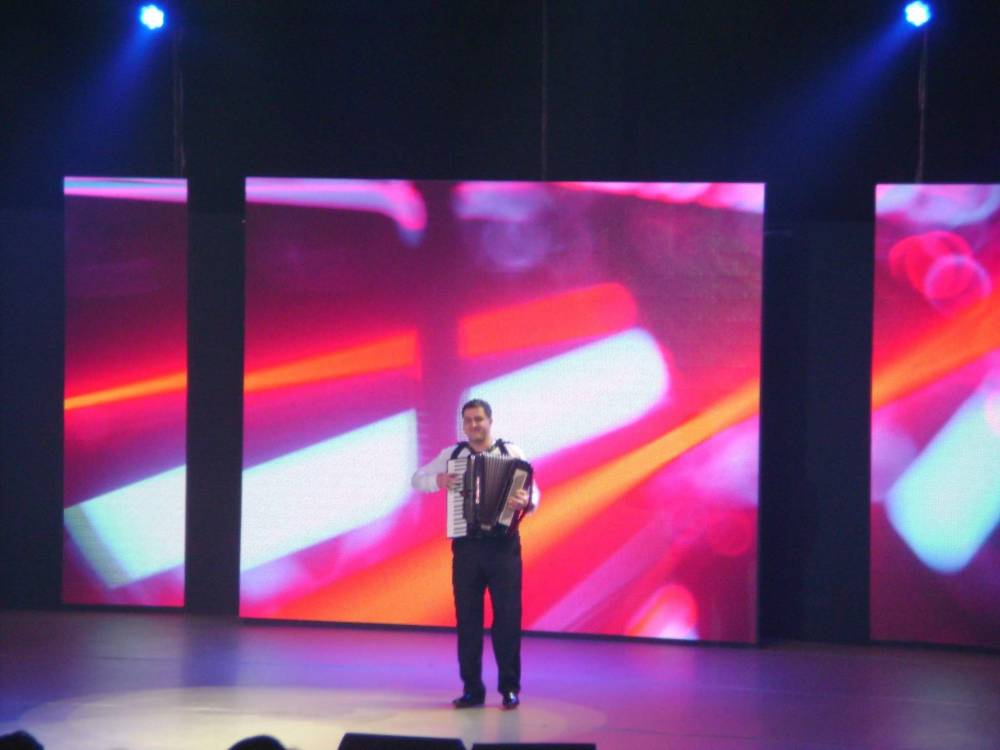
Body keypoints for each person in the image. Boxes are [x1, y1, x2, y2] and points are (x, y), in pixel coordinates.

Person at [411, 398, 537, 710]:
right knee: (468, 620)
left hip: (504, 548)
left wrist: (526, 501)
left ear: (489, 421)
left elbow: (533, 491)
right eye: (468, 420)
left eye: (478, 419)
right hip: (467, 548)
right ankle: (472, 690)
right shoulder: (452, 455)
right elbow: (417, 479)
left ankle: (509, 688)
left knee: (507, 618)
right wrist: (438, 480)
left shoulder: (511, 452)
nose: (473, 425)